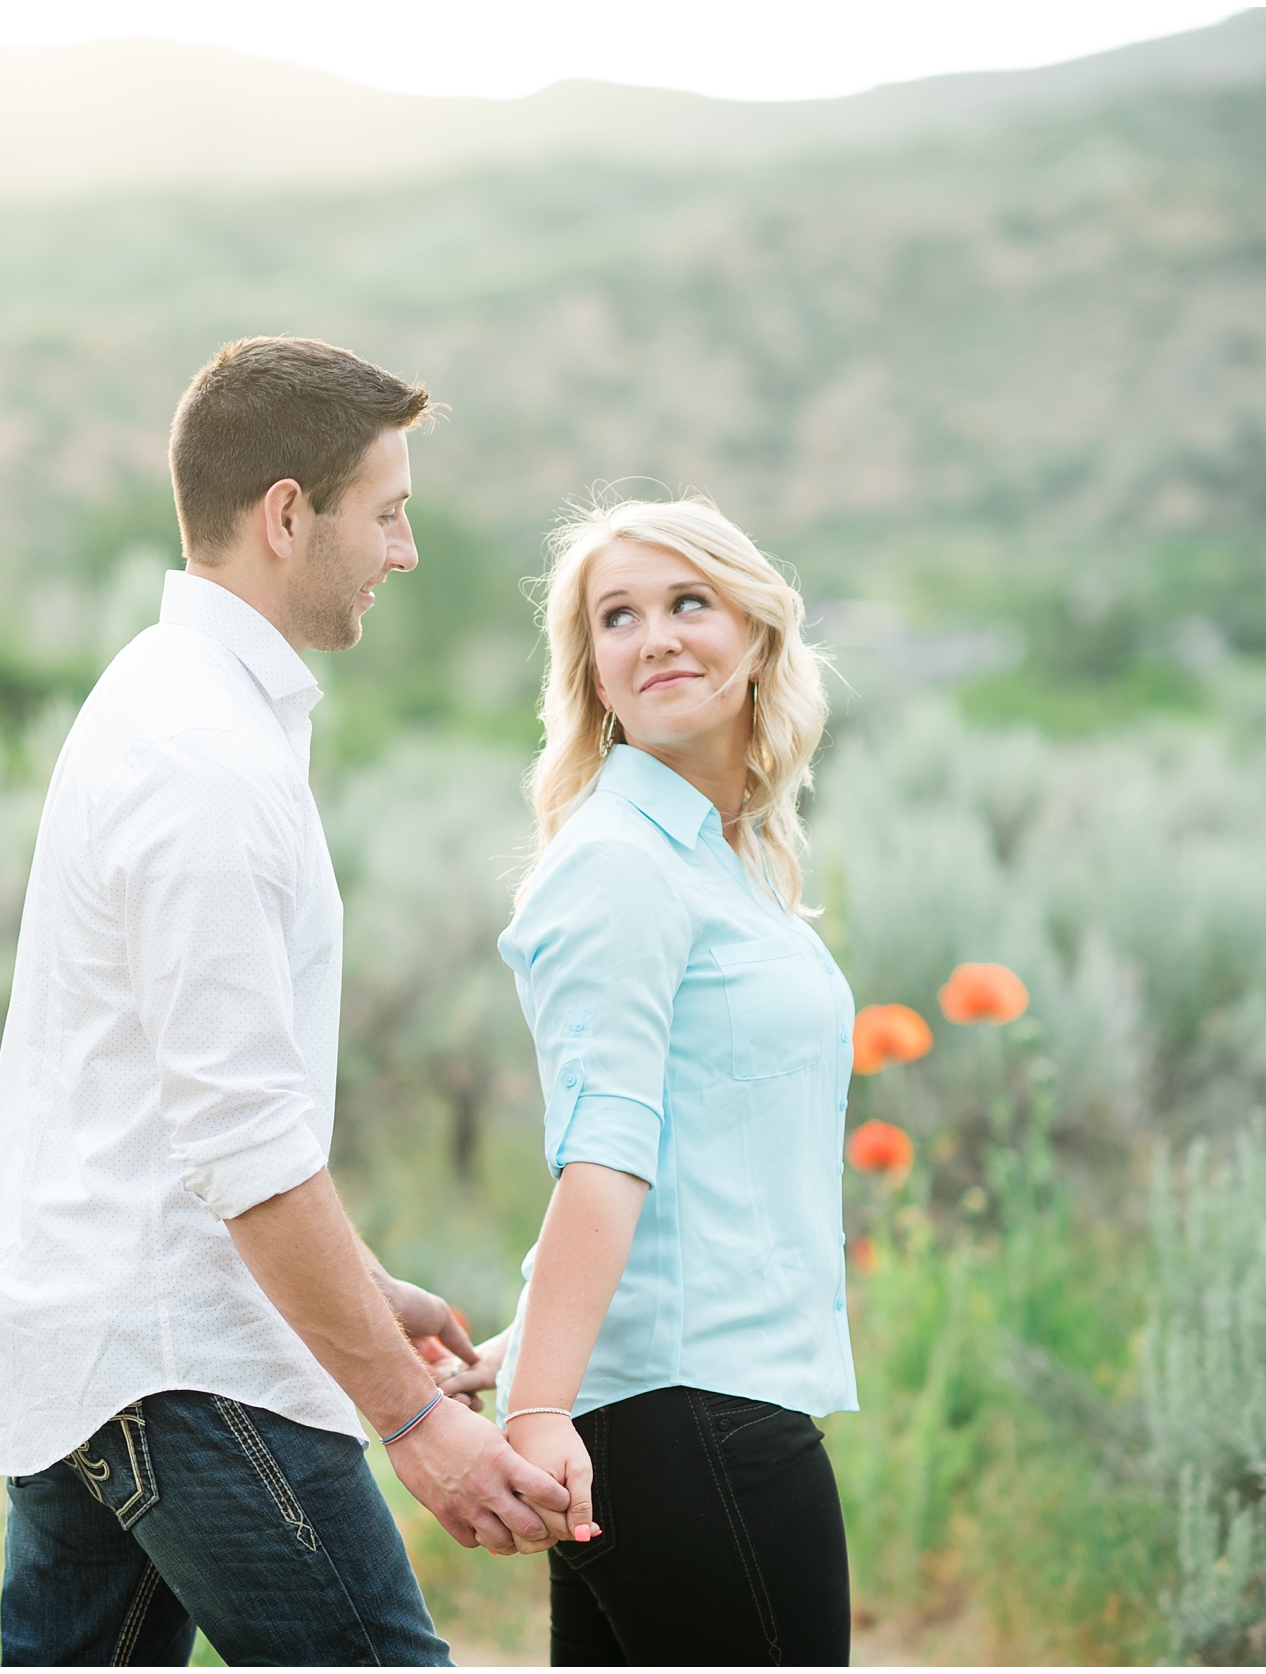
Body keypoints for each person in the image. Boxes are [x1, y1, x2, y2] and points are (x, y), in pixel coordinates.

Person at [0, 336, 572, 1667]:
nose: (405, 550)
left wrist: (360, 1282)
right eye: (389, 511)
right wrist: (417, 1420)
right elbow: (240, 1147)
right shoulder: (207, 763)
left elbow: (167, 1094)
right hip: (184, 1359)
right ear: (288, 514)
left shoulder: (162, 693)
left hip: (95, 1334)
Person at [442, 495, 858, 1665]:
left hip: (708, 1402)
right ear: (597, 678)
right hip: (691, 1420)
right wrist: (537, 1407)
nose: (657, 635)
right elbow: (606, 1150)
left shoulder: (719, 862)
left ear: (759, 637)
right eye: (618, 617)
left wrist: (529, 1341)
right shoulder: (621, 865)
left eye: (689, 603)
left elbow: (688, 1151)